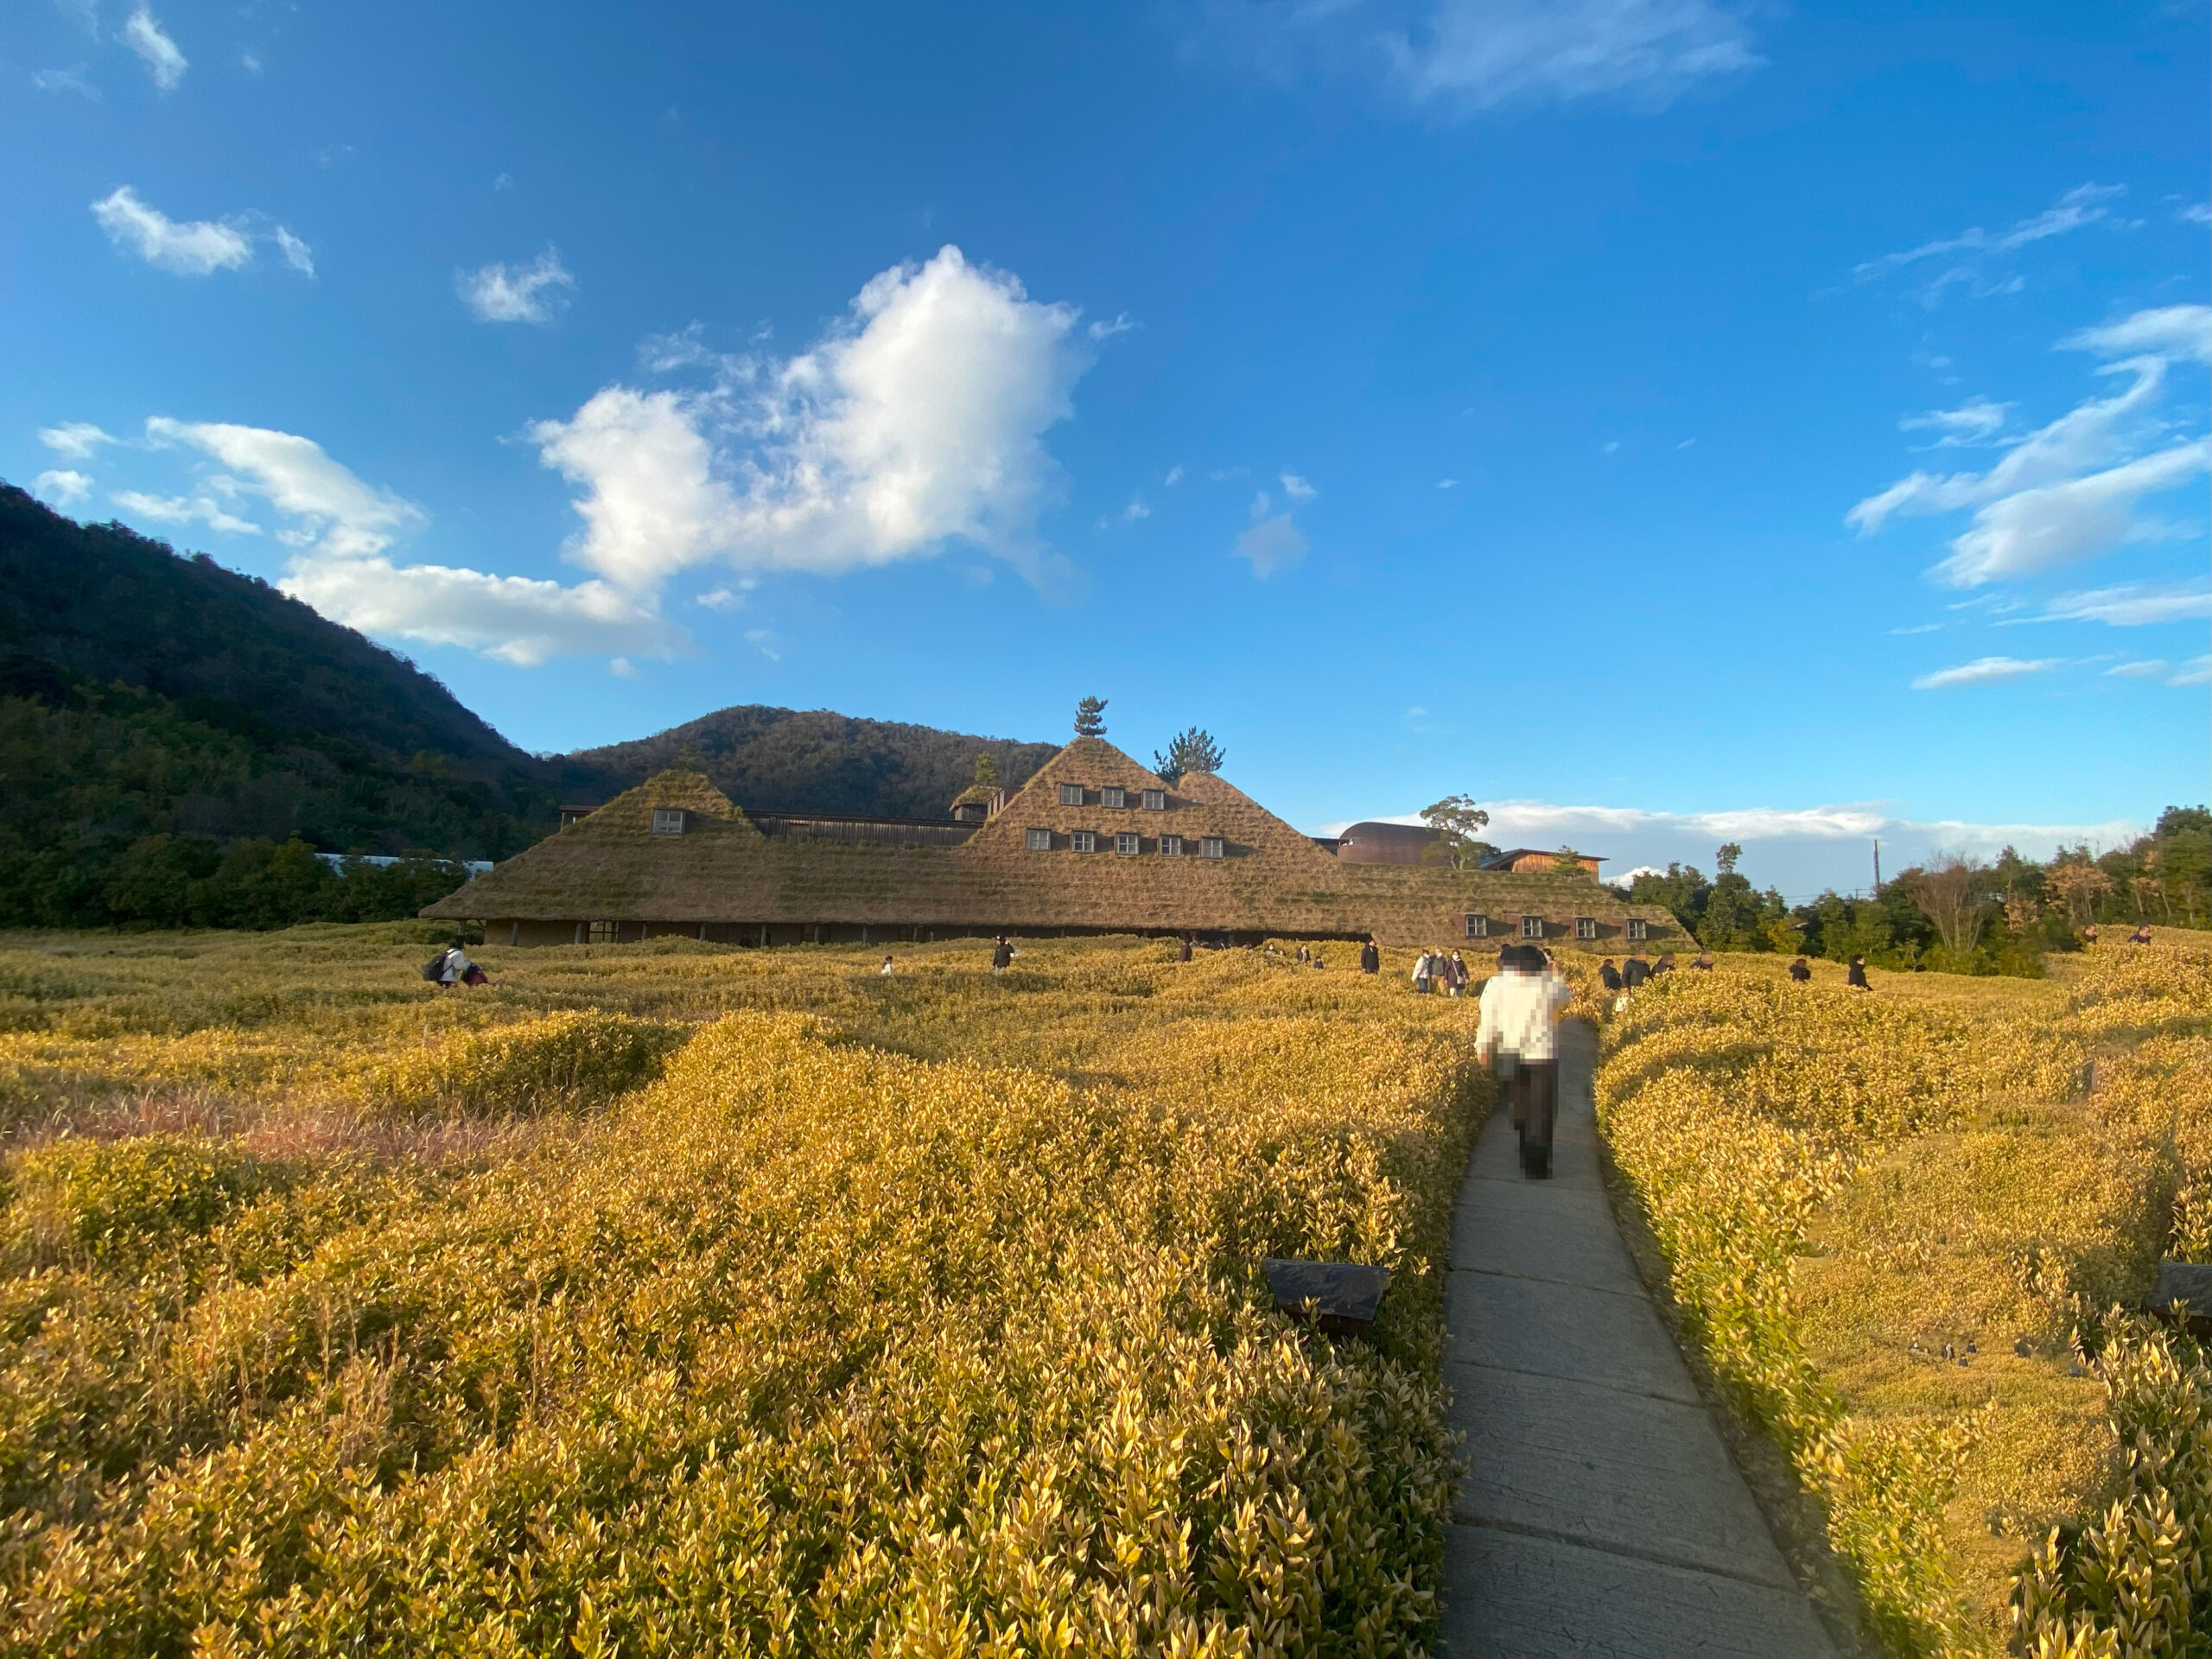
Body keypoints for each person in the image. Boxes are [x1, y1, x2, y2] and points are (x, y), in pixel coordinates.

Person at [1477, 944, 1573, 1179]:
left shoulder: (1497, 985)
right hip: (1543, 1055)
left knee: (1519, 1104)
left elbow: (1488, 1019)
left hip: (1511, 1051)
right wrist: (1555, 973)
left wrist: (1483, 1048)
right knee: (1542, 1109)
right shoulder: (1547, 985)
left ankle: (1524, 1143)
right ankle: (1536, 1164)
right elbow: (1566, 999)